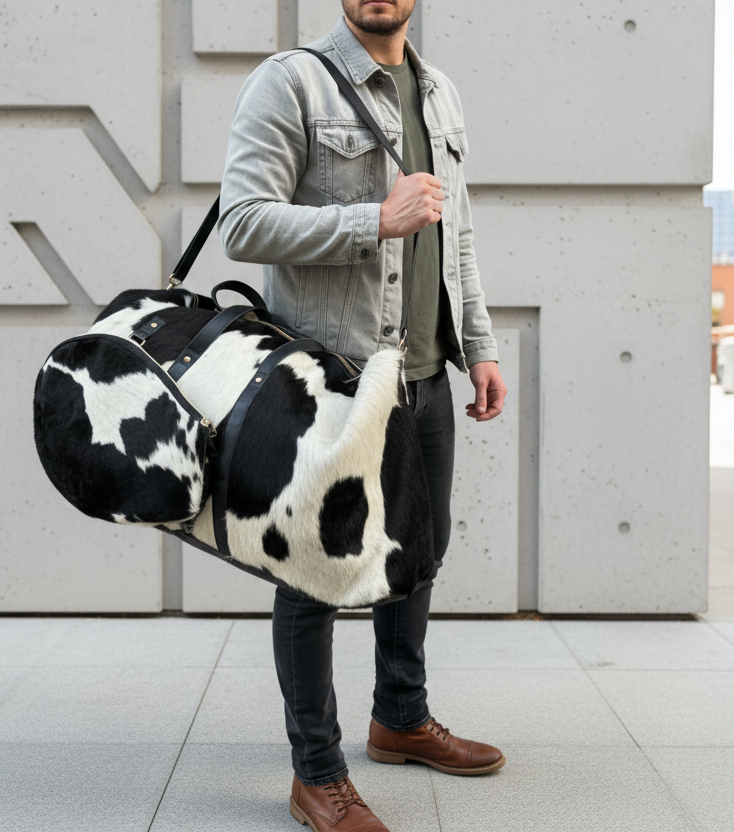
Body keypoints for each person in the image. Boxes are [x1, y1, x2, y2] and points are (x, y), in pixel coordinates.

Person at [219, 1, 507, 828]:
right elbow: (242, 220)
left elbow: (458, 238)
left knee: (417, 553)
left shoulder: (440, 92)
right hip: (334, 379)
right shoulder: (292, 83)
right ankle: (317, 773)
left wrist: (478, 345)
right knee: (315, 573)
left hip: (426, 375)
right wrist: (371, 221)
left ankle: (401, 719)